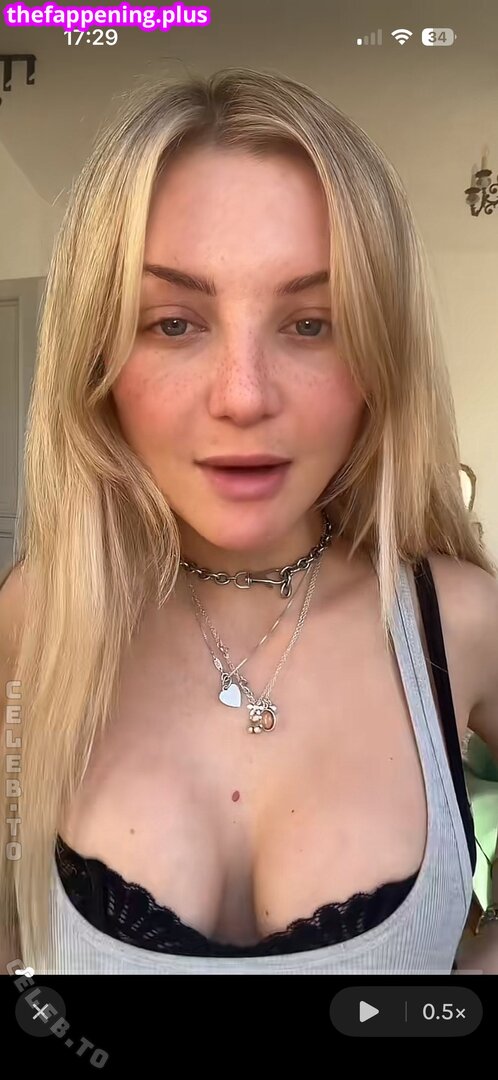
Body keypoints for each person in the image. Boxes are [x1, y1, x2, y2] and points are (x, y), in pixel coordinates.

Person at [1, 67, 497, 976]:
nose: (243, 397)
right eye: (173, 324)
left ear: (380, 357)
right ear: (96, 360)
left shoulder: (460, 620)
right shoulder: (36, 616)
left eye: (312, 324)